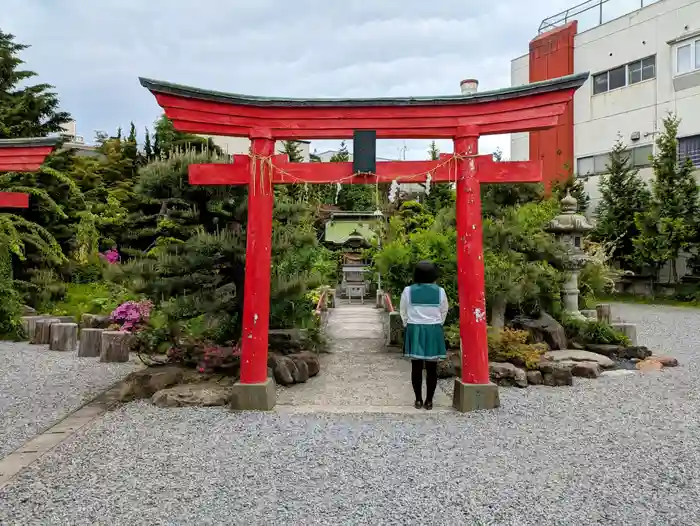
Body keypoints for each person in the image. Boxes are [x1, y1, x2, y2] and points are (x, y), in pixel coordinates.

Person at [399, 260, 448, 410]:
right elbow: (444, 311)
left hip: (415, 329)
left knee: (416, 367)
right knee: (432, 368)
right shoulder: (440, 291)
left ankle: (418, 399)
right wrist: (437, 324)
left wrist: (408, 324)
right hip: (433, 330)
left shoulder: (408, 290)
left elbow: (403, 311)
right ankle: (430, 401)